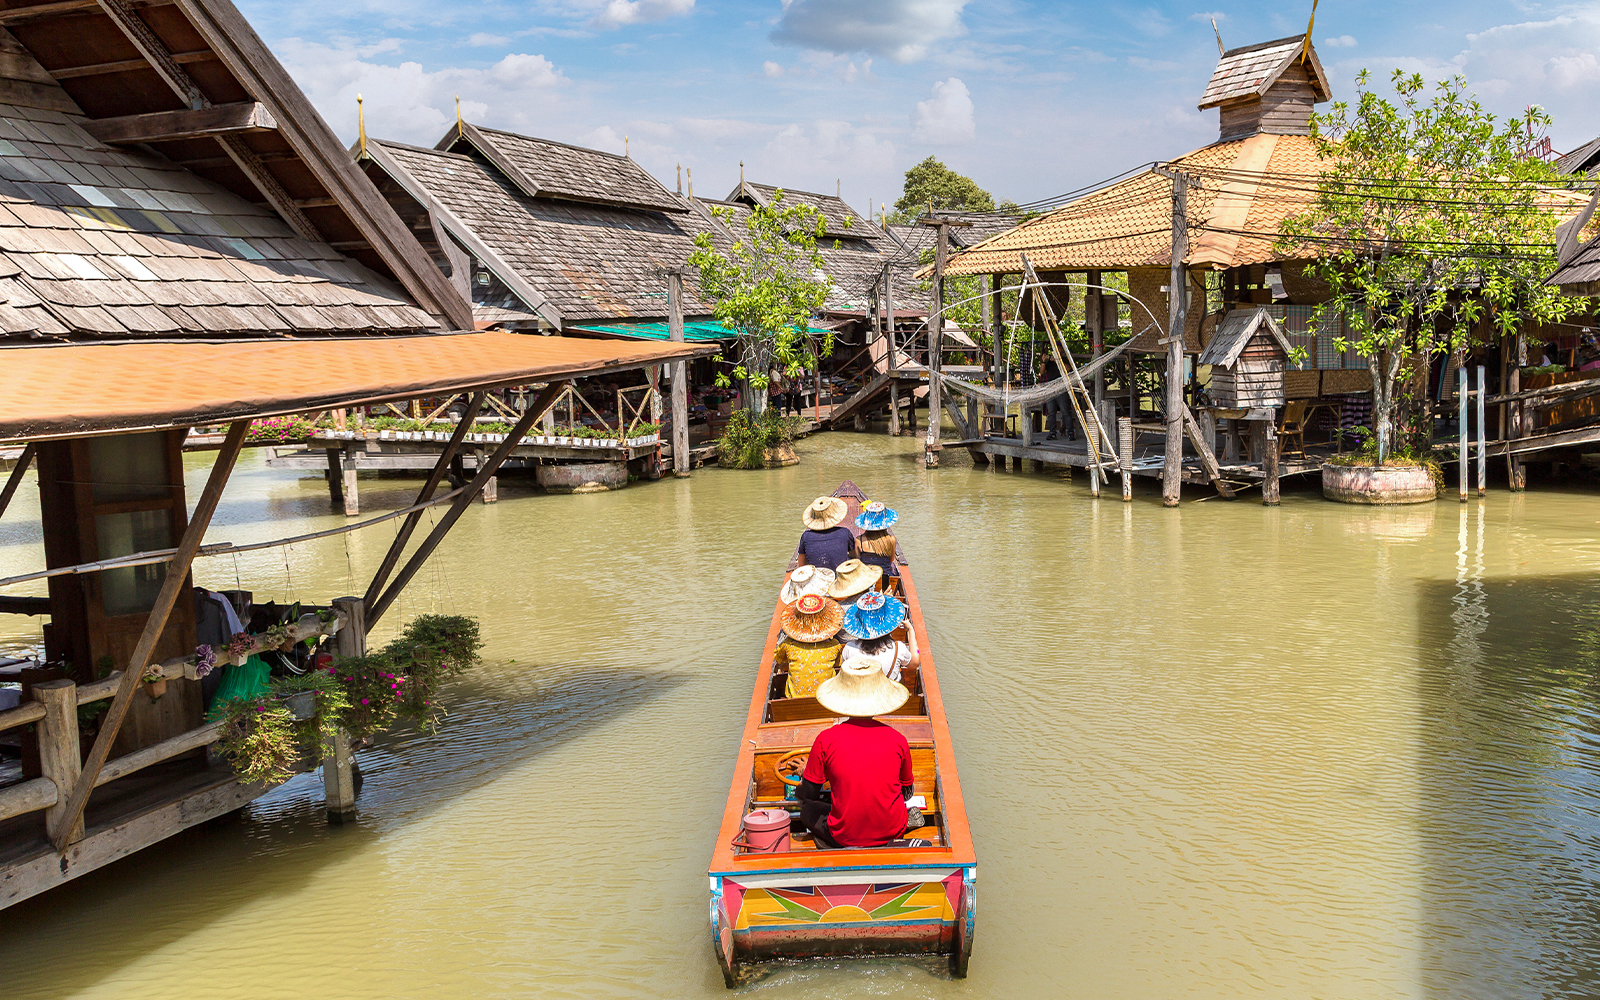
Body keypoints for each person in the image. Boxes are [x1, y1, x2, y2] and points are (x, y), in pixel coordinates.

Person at [794, 657, 922, 848]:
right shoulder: (898, 739)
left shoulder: (826, 739)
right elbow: (907, 792)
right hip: (893, 828)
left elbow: (808, 793)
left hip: (844, 835)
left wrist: (805, 773)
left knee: (807, 810)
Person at [775, 594, 844, 698]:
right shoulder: (833, 646)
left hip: (795, 700)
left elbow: (779, 660)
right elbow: (837, 664)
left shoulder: (788, 645)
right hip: (827, 699)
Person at [841, 592, 919, 682]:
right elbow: (915, 662)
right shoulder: (898, 648)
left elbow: (844, 672)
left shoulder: (849, 648)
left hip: (862, 694)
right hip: (889, 695)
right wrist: (910, 630)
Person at [796, 496, 855, 570]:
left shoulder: (806, 536)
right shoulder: (845, 532)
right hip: (840, 575)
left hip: (817, 576)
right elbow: (854, 556)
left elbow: (801, 564)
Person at [854, 501, 900, 579]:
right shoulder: (892, 539)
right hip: (885, 578)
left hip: (866, 579)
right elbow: (891, 560)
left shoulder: (859, 540)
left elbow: (858, 561)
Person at [1040, 353, 1072, 441]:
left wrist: (1058, 361)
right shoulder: (1049, 361)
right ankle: (1052, 433)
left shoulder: (1064, 359)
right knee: (1051, 412)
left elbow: (1069, 369)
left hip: (1061, 388)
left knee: (1065, 411)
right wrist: (1043, 362)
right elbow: (1042, 372)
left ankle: (1070, 432)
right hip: (1051, 389)